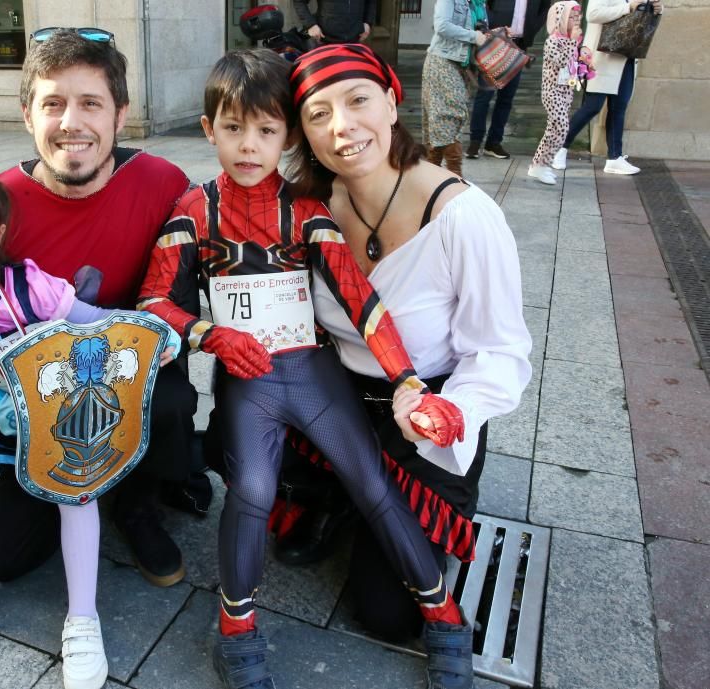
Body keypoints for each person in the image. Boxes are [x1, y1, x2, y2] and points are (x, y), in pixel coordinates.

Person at [140, 48, 474, 689]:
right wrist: (209, 333)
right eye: (232, 128)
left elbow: (359, 298)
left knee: (372, 482)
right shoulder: (192, 209)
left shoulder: (305, 210)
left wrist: (406, 380)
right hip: (248, 380)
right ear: (208, 128)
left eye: (266, 130)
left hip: (313, 369)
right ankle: (235, 629)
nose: (248, 145)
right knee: (253, 491)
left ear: (288, 135)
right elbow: (154, 300)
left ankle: (445, 616)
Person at [0, 24, 200, 634]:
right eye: (53, 103)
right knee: (12, 560)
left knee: (175, 400)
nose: (71, 122)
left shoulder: (164, 183)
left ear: (120, 115)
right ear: (28, 114)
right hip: (28, 392)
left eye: (90, 103)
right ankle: (76, 492)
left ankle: (137, 502)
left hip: (130, 371)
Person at [0, 169, 180, 689]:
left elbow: (92, 319)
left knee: (79, 487)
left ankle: (83, 617)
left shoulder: (30, 285)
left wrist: (150, 333)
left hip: (54, 420)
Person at [288, 43, 532, 655]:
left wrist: (452, 413)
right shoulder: (308, 209)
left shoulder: (463, 217)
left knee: (389, 612)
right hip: (340, 401)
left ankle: (368, 500)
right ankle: (337, 493)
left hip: (428, 411)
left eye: (358, 100)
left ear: (393, 103)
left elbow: (499, 350)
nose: (342, 126)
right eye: (318, 114)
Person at [552, 0, 664, 174]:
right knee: (592, 107)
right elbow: (593, 14)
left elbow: (641, 16)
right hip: (602, 57)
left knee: (619, 108)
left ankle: (614, 158)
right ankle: (558, 148)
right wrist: (628, 7)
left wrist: (656, 9)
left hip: (626, 56)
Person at [466, 0, 551, 160]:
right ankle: (475, 141)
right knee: (484, 95)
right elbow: (486, 5)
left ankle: (494, 143)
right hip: (497, 41)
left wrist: (531, 28)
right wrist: (493, 26)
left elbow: (544, 8)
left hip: (519, 45)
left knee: (506, 99)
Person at [423, 0, 489, 175]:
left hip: (462, 65)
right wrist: (474, 36)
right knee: (450, 114)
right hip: (442, 60)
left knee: (442, 119)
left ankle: (432, 172)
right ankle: (455, 173)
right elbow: (442, 26)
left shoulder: (479, 4)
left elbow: (478, 30)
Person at [528, 2, 588, 185]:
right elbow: (561, 61)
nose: (576, 21)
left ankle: (540, 165)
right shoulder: (552, 40)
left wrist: (584, 59)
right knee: (560, 127)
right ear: (560, 19)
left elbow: (572, 63)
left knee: (555, 130)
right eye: (571, 17)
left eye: (577, 17)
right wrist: (572, 43)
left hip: (565, 91)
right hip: (552, 92)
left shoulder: (571, 40)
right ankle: (540, 165)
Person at [292, 0, 377, 43]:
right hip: (325, 40)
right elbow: (299, 1)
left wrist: (368, 22)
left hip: (355, 41)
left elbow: (371, 1)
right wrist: (310, 25)